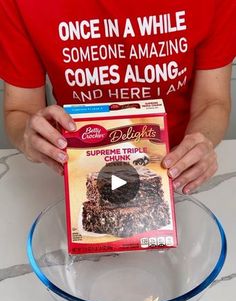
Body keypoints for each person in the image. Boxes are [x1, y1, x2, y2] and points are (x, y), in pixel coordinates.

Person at [0, 1, 235, 194]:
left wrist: (200, 142)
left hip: (174, 168)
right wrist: (28, 138)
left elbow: (212, 101)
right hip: (76, 168)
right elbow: (20, 109)